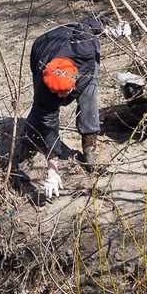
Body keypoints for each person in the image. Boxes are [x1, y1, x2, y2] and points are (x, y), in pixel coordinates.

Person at [15, 16, 107, 199]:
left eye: (64, 92)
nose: (60, 98)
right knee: (40, 115)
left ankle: (89, 150)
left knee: (88, 99)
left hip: (78, 56)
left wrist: (110, 28)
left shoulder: (85, 50)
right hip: (44, 44)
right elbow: (49, 125)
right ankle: (24, 158)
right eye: (55, 93)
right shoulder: (44, 84)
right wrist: (52, 169)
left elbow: (89, 22)